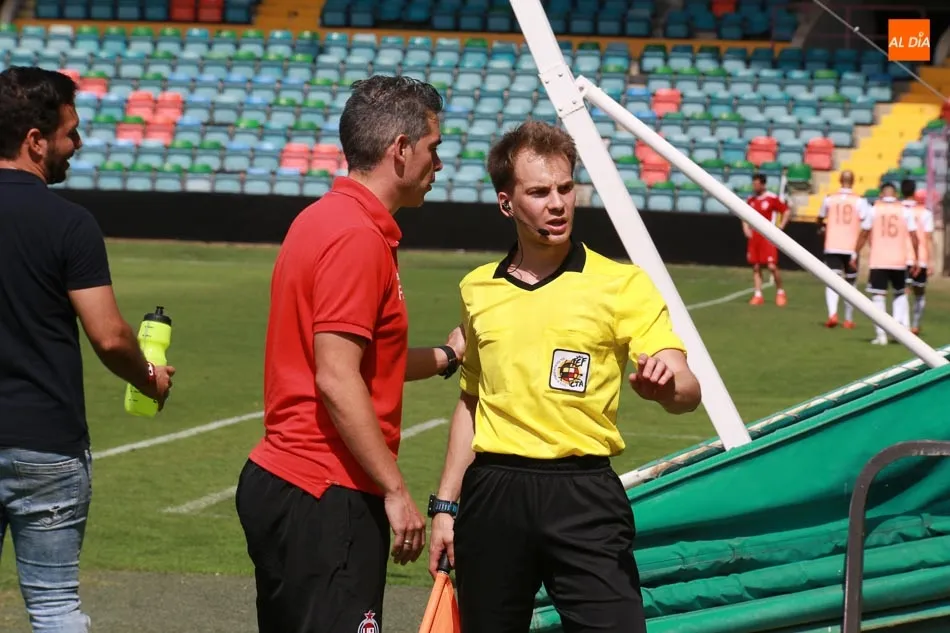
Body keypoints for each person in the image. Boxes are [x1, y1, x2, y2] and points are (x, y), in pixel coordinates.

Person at [426, 121, 702, 633]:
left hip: (584, 492)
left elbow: (687, 391)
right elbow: (470, 401)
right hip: (494, 492)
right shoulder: (477, 288)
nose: (557, 203)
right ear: (507, 203)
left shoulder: (622, 284)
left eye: (565, 188)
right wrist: (446, 506)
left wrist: (670, 386)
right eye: (538, 192)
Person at [234, 75, 466, 633]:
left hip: (288, 482)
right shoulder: (357, 238)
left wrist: (447, 357)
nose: (439, 165)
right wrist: (396, 491)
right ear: (401, 150)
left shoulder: (321, 219)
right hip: (325, 490)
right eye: (434, 149)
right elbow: (337, 378)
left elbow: (367, 360)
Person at [0, 66, 175, 632]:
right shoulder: (69, 223)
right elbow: (109, 335)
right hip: (46, 445)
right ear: (35, 141)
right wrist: (149, 376)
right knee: (54, 610)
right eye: (70, 132)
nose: (77, 144)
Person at [853, 182, 919, 346]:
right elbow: (914, 237)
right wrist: (916, 258)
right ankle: (897, 329)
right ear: (896, 195)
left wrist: (855, 253)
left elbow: (864, 233)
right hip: (899, 259)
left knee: (878, 296)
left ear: (881, 195)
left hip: (879, 259)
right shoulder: (904, 210)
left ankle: (881, 335)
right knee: (900, 293)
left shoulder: (874, 209)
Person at [816, 170, 869, 329]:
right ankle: (848, 318)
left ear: (840, 180)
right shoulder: (859, 200)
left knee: (832, 281)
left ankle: (832, 313)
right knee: (850, 283)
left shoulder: (830, 198)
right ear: (853, 182)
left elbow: (819, 218)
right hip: (851, 246)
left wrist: (822, 228)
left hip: (832, 244)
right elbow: (866, 222)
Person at [744, 173, 789, 306]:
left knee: (772, 266)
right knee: (756, 266)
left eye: (757, 184)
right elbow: (744, 214)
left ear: (763, 184)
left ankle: (780, 291)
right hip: (755, 236)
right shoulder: (751, 199)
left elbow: (786, 211)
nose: (754, 186)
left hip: (768, 236)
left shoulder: (771, 198)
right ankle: (758, 295)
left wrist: (780, 226)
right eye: (753, 183)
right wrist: (746, 228)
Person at [900, 179, 935, 335]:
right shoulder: (926, 213)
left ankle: (904, 325)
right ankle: (914, 324)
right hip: (920, 257)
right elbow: (927, 239)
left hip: (901, 256)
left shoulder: (897, 209)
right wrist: (930, 261)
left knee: (902, 292)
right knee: (919, 292)